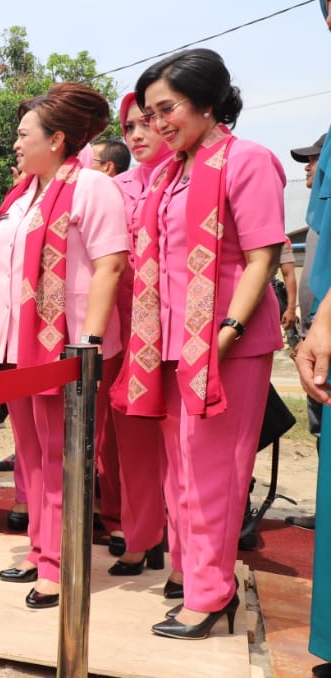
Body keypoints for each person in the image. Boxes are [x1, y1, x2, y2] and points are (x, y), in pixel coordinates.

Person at [115, 49, 285, 638]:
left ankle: (212, 594)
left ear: (207, 103)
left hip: (225, 342)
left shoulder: (248, 160)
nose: (157, 124)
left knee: (214, 471)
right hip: (168, 343)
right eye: (149, 114)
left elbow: (263, 256)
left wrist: (227, 333)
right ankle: (192, 576)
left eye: (167, 109)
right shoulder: (168, 174)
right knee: (181, 472)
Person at [0, 83, 126, 609]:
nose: (15, 144)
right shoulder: (20, 196)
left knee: (63, 458)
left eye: (23, 134)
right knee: (32, 458)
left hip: (65, 351)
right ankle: (41, 550)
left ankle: (60, 563)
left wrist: (88, 344)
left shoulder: (93, 188)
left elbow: (111, 265)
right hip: (17, 349)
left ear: (57, 139)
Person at [101, 93, 173, 579]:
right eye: (129, 126)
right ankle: (140, 535)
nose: (138, 134)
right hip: (128, 333)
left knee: (186, 449)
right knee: (132, 443)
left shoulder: (192, 176)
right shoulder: (115, 188)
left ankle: (188, 553)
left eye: (148, 121)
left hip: (182, 326)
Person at [291, 133, 326, 531]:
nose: (309, 167)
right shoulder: (318, 217)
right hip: (311, 338)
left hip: (324, 339)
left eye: (315, 160)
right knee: (319, 428)